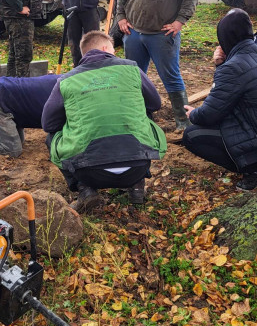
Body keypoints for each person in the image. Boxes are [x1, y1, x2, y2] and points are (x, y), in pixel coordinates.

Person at [41, 30, 167, 212]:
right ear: (105, 48)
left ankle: (85, 190)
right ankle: (137, 185)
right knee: (146, 114)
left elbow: (48, 124)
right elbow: (155, 104)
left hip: (89, 172)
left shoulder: (66, 80)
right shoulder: (131, 68)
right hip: (137, 166)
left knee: (52, 136)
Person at [182, 9, 257, 191]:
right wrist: (222, 64)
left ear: (225, 38)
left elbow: (209, 115)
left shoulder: (232, 68)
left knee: (191, 136)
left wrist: (193, 114)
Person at [116, 0, 201, 129]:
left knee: (171, 78)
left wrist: (180, 20)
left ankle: (184, 122)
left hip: (162, 35)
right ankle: (142, 119)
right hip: (134, 33)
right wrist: (120, 16)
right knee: (135, 77)